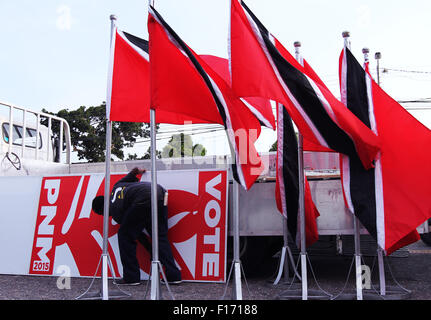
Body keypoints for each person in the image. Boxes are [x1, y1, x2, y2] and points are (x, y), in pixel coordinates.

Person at [92, 167, 181, 285]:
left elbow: (136, 235)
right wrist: (138, 170)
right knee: (159, 236)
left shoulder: (115, 211)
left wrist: (149, 250)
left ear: (103, 211)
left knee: (124, 235)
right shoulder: (117, 185)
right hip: (161, 192)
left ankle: (131, 277)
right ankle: (173, 275)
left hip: (142, 199)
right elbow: (133, 172)